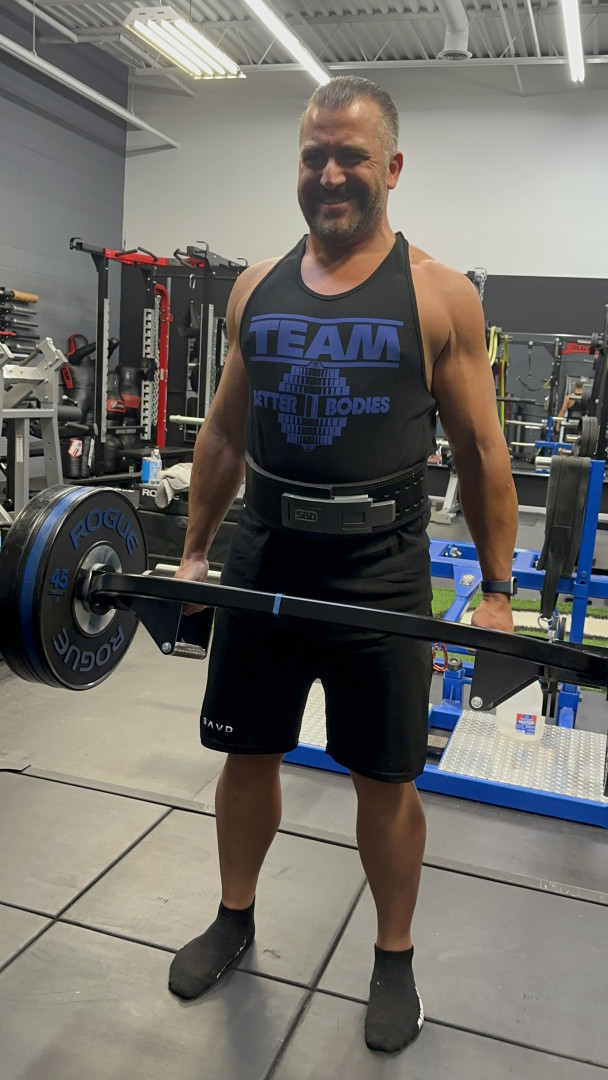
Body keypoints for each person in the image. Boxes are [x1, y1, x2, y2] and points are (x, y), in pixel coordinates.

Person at [169, 75, 518, 1055]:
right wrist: (192, 554)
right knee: (247, 753)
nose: (329, 175)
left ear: (390, 168)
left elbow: (482, 452)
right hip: (266, 553)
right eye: (313, 156)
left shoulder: (437, 294)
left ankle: (392, 957)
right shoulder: (255, 289)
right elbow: (224, 433)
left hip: (381, 567)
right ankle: (234, 917)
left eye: (350, 157)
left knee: (384, 777)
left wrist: (497, 592)